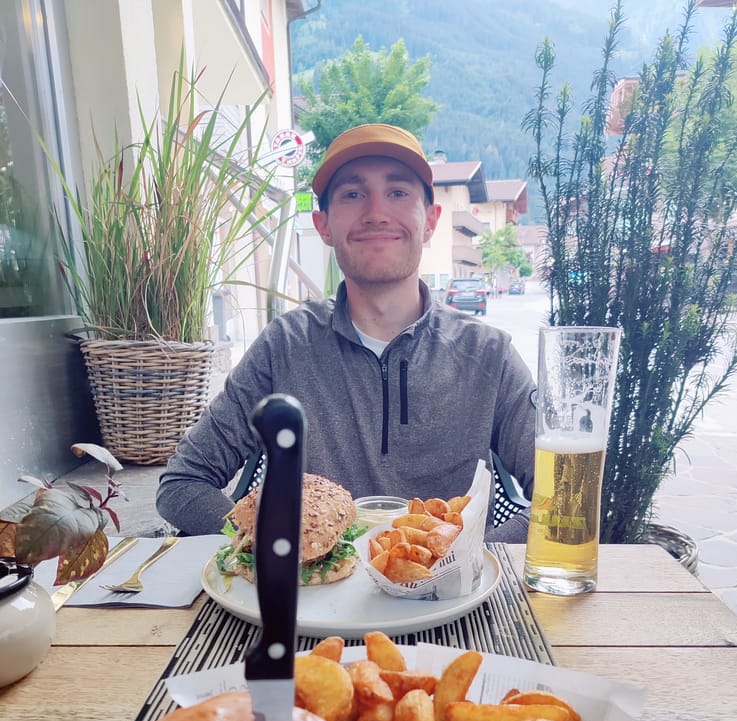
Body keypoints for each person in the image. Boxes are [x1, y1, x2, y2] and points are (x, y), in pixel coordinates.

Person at [156, 123, 536, 542]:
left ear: (430, 221)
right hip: (310, 601)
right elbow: (182, 484)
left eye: (398, 193)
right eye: (353, 194)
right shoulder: (283, 347)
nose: (376, 212)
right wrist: (269, 550)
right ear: (323, 226)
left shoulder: (489, 356)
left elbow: (561, 499)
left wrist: (462, 564)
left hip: (453, 602)